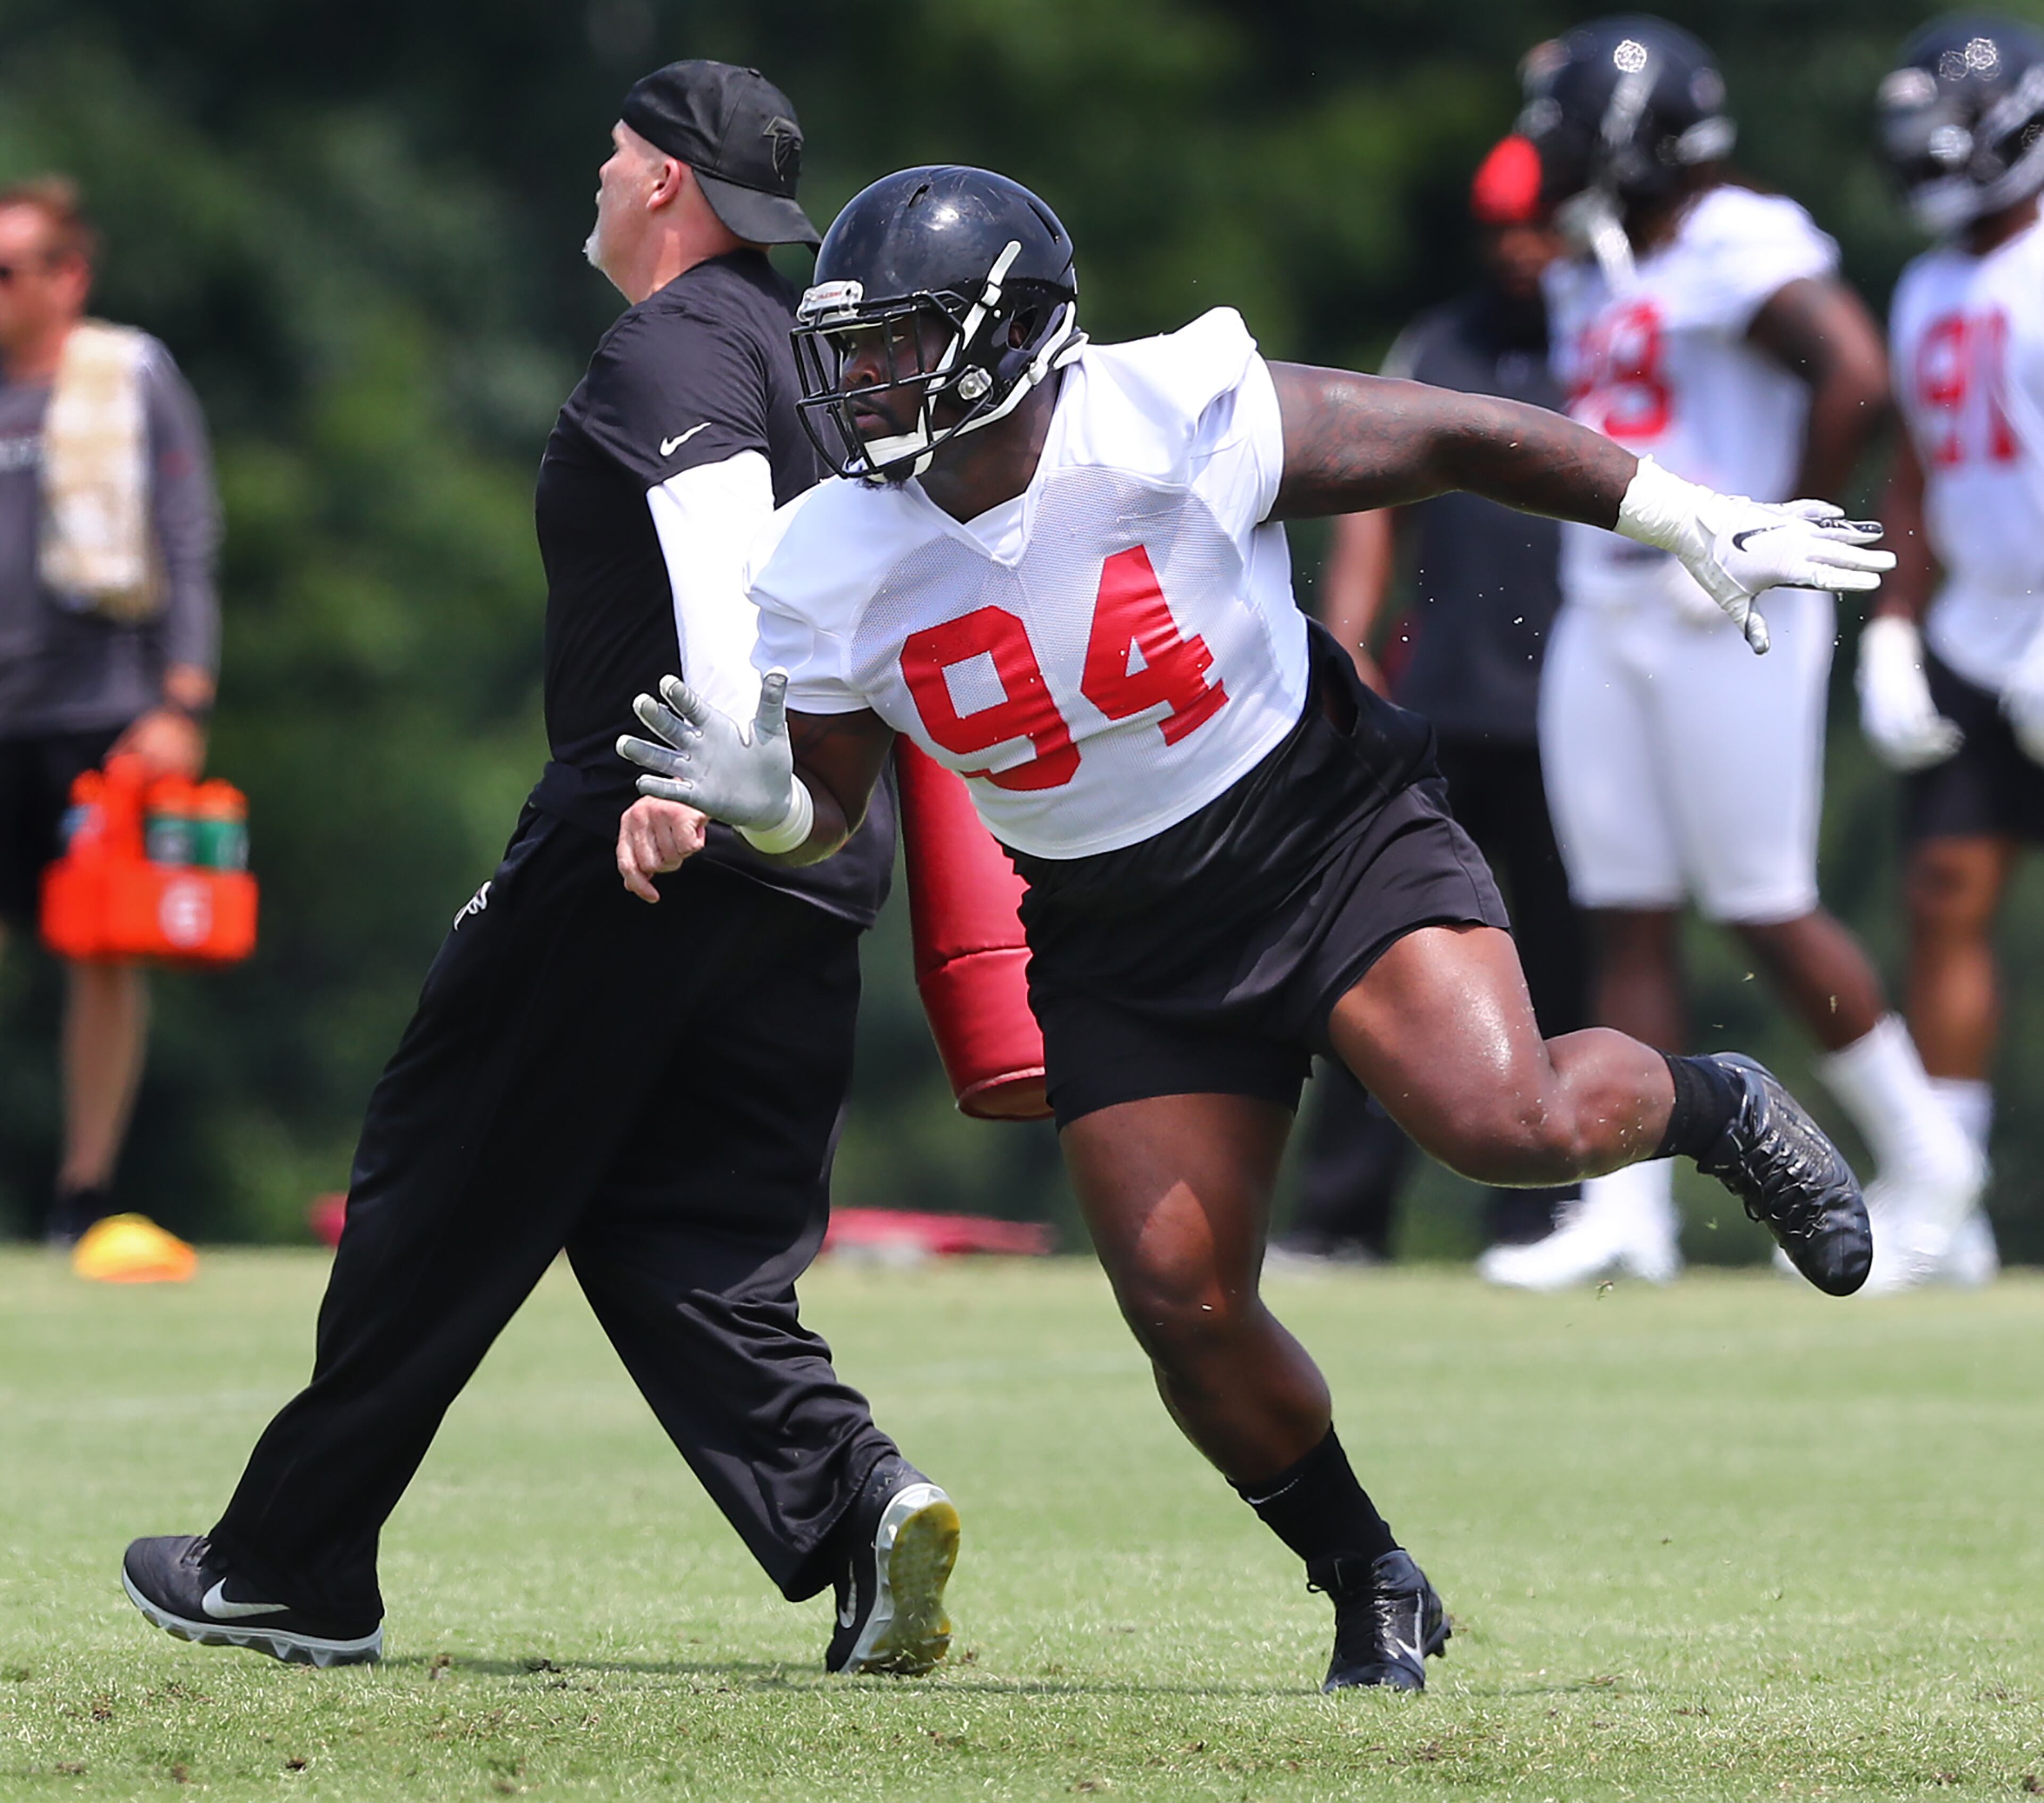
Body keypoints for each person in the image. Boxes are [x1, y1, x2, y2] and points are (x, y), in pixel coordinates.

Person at [616, 163, 1880, 1692]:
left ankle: (1718, 1101)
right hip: (1113, 923)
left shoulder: (1166, 413)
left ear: (1010, 335)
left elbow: (1457, 435)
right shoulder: (828, 556)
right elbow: (823, 802)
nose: (863, 377)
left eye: (898, 339)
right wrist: (763, 805)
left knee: (1504, 1118)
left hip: (1318, 833)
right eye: (853, 343)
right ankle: (1371, 1575)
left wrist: (1679, 512)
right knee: (1182, 1298)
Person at [120, 62, 956, 1676]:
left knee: (438, 1177)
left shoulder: (678, 344)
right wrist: (783, 804)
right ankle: (859, 1505)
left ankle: (290, 1562)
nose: (596, 166)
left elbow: (720, 557)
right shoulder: (811, 350)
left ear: (665, 187)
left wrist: (717, 778)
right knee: (685, 1232)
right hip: (823, 854)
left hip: (654, 837)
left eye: (619, 149)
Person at [1481, 16, 1982, 1292]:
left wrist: (1770, 524)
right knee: (1625, 906)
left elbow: (1855, 374)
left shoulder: (1736, 239)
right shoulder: (1613, 248)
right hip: (1612, 604)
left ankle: (1932, 1157)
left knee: (1764, 899)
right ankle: (1631, 1209)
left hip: (1730, 602)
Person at [1275, 135, 1587, 1268]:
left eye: (1540, 224)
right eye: (1501, 228)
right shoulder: (1442, 339)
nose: (1520, 249)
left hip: (1579, 705)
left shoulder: (1608, 337)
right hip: (1447, 694)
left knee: (1561, 968)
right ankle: (1342, 1217)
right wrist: (1349, 650)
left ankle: (1547, 1219)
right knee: (1396, 957)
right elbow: (1371, 502)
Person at [1855, 13, 2044, 1287]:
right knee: (1944, 896)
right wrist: (1895, 624)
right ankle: (1949, 1190)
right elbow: (1920, 460)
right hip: (1983, 626)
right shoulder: (1929, 280)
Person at [0, 177, 219, 1244]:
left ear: (66, 276)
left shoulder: (126, 375)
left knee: (101, 950)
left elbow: (187, 532)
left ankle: (81, 1190)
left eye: (7, 270)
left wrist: (183, 695)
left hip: (101, 709)